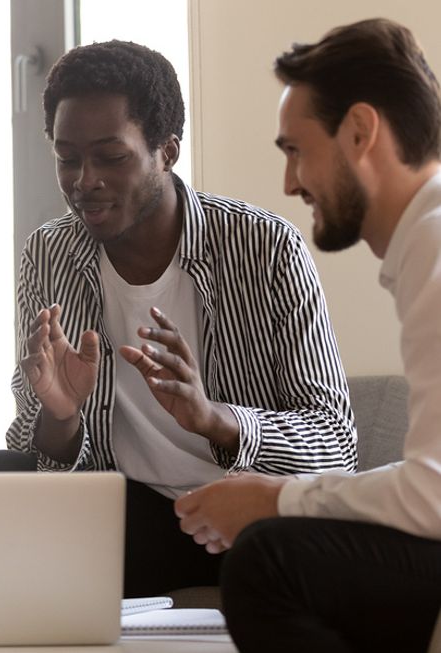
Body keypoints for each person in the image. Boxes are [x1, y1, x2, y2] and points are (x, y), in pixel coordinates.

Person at [0, 38, 358, 597]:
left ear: (167, 151)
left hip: (247, 515)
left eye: (111, 156)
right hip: (132, 513)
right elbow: (44, 456)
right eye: (67, 157)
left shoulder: (265, 246)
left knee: (284, 559)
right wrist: (60, 415)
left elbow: (336, 442)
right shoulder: (49, 254)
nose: (84, 180)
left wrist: (213, 418)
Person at [175, 18, 441, 653]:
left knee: (269, 561)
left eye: (295, 150)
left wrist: (279, 499)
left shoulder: (434, 240)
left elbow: (432, 492)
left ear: (359, 131)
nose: (289, 184)